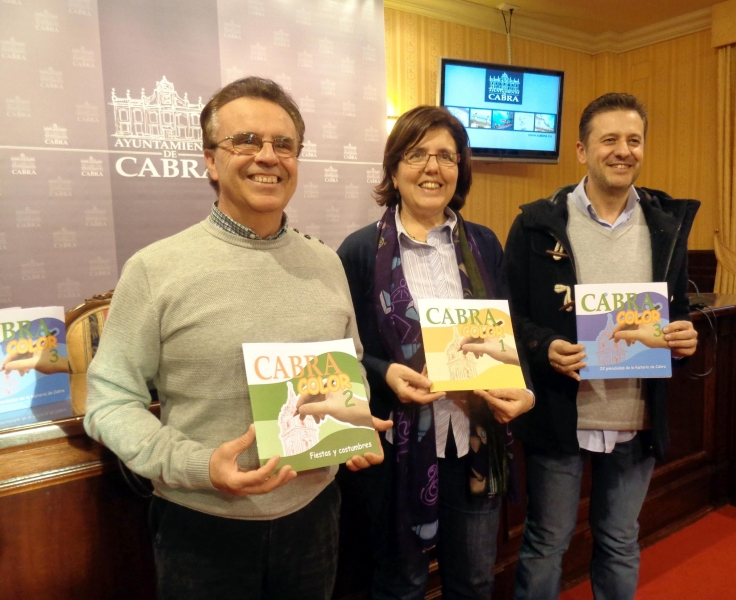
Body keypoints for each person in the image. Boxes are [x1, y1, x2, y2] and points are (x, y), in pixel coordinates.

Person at [83, 77, 385, 600]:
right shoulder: (155, 269)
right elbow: (109, 400)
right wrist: (198, 466)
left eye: (283, 144)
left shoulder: (326, 263)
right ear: (210, 160)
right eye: (246, 140)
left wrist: (352, 424)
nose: (267, 156)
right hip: (202, 527)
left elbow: (350, 364)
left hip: (315, 518)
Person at [505, 93, 700, 600]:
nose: (623, 151)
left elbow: (676, 311)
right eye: (609, 139)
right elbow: (510, 316)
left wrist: (683, 335)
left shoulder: (666, 224)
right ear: (581, 150)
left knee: (620, 539)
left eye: (634, 140)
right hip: (561, 414)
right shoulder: (535, 224)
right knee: (547, 542)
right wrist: (544, 345)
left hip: (637, 415)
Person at [337, 105, 534, 600]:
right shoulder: (359, 251)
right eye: (417, 154)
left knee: (474, 581)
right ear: (394, 169)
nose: (433, 167)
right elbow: (343, 353)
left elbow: (507, 332)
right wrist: (385, 373)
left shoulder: (484, 244)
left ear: (460, 169)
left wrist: (525, 391)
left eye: (446, 156)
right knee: (401, 583)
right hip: (397, 450)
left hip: (474, 441)